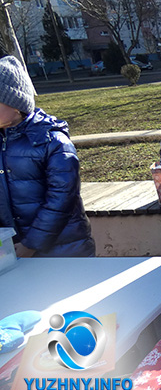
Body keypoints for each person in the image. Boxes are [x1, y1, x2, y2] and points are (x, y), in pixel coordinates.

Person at [0, 56, 95, 257]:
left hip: (65, 250)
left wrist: (31, 244)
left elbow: (61, 198)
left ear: (15, 103)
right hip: (16, 251)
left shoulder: (52, 141)